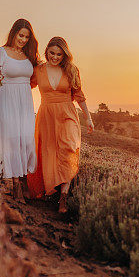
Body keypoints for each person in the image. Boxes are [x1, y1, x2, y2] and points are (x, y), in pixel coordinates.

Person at [28, 36, 94, 214]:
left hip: (67, 114)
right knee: (49, 153)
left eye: (59, 54)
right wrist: (0, 87)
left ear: (65, 55)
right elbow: (24, 85)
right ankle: (54, 190)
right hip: (47, 116)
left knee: (69, 148)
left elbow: (79, 96)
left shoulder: (71, 70)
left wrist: (88, 118)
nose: (55, 57)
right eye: (52, 53)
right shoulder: (38, 70)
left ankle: (63, 196)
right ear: (46, 51)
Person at [0, 19, 40, 200]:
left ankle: (21, 179)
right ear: (13, 33)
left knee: (26, 139)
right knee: (11, 139)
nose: (23, 39)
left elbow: (32, 80)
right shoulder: (1, 52)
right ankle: (11, 182)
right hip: (6, 99)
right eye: (21, 35)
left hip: (25, 102)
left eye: (27, 37)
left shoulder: (29, 56)